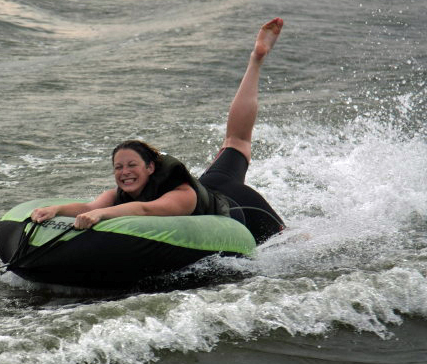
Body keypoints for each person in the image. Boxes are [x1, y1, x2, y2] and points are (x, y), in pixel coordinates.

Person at [31, 18, 286, 244]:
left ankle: (257, 58)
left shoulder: (182, 194)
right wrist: (55, 210)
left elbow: (145, 211)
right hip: (210, 185)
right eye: (118, 167)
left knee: (238, 140)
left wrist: (102, 214)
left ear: (150, 167)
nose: (125, 172)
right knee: (235, 141)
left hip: (239, 203)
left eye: (132, 165)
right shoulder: (116, 195)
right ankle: (257, 58)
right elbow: (88, 206)